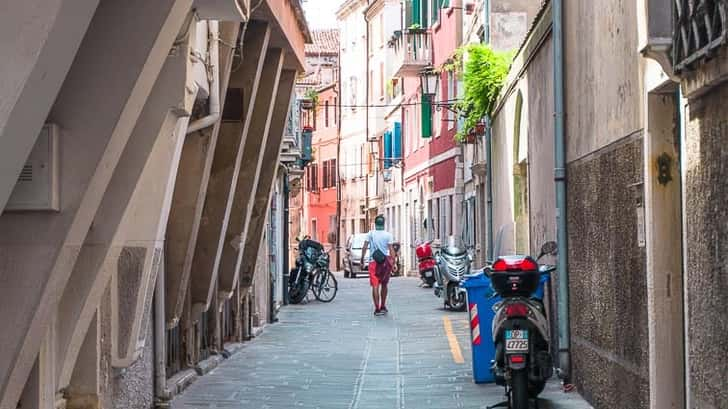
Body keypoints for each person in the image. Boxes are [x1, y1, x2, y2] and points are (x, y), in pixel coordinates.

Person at [360, 215, 395, 315]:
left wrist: (362, 259)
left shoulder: (370, 234)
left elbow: (365, 247)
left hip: (373, 262)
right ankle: (383, 305)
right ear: (384, 224)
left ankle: (377, 308)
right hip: (385, 262)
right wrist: (393, 262)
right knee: (384, 284)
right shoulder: (388, 235)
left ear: (375, 224)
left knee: (375, 285)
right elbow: (391, 249)